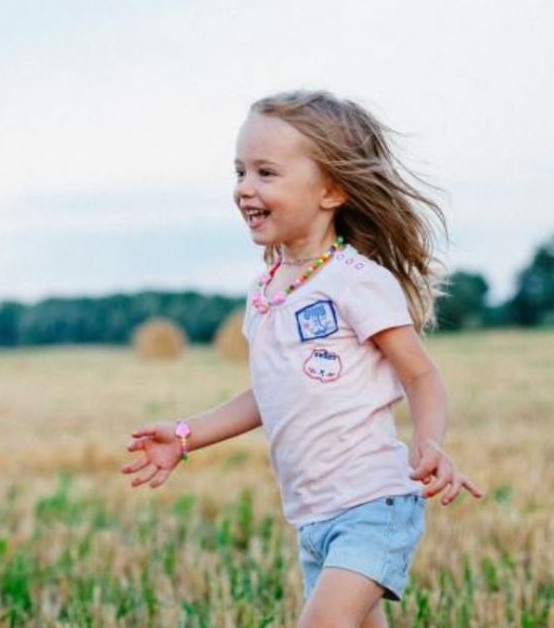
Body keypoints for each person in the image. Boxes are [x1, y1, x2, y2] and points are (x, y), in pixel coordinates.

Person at [120, 89, 484, 628]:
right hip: (313, 517)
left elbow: (421, 374)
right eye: (239, 171)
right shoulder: (267, 289)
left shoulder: (358, 282)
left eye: (267, 173)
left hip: (372, 505)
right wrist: (186, 435)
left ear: (332, 190)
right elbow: (269, 391)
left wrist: (428, 442)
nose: (245, 188)